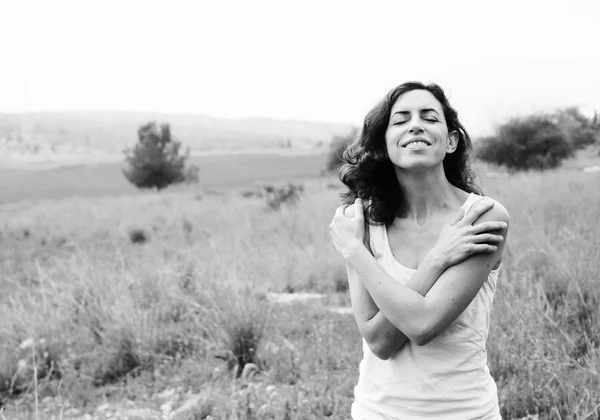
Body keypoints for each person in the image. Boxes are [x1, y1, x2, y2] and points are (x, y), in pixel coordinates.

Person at [328, 81, 509, 419]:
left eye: (429, 117)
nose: (415, 125)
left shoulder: (482, 217)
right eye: (400, 120)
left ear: (451, 140)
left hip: (464, 412)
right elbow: (380, 343)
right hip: (377, 411)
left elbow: (423, 326)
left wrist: (355, 251)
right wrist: (436, 258)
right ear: (383, 145)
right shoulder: (359, 224)